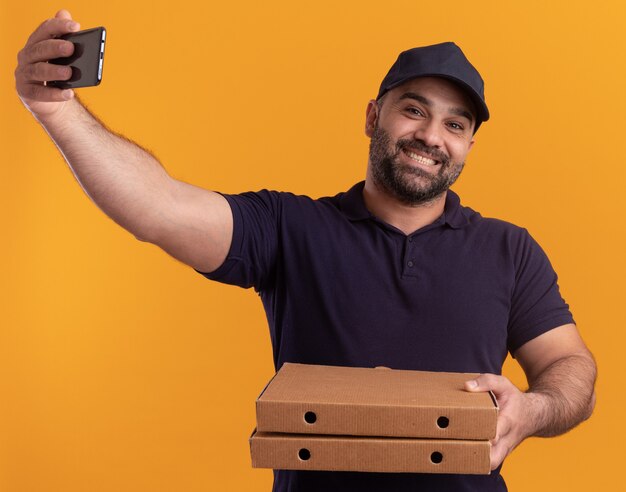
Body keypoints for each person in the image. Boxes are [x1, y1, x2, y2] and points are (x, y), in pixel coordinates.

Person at [15, 9, 596, 492]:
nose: (431, 136)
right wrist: (60, 113)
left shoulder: (509, 250)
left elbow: (570, 369)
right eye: (414, 110)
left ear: (469, 144)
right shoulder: (292, 227)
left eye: (455, 124)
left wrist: (533, 411)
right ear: (374, 117)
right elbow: (158, 207)